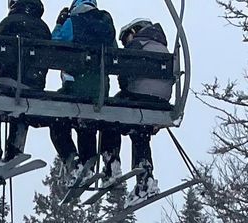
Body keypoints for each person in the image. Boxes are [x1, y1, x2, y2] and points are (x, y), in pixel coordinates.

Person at [51, 0, 115, 185]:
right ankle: (89, 162)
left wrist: (59, 24)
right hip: (100, 90)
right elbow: (115, 54)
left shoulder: (73, 22)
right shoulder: (106, 24)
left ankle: (73, 160)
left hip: (75, 87)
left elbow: (55, 45)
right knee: (87, 123)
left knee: (57, 119)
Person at [113, 16, 171, 198]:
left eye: (125, 40)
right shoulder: (163, 47)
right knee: (140, 129)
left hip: (139, 95)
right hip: (161, 100)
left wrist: (127, 86)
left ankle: (111, 162)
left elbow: (123, 74)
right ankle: (145, 176)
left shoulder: (137, 44)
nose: (125, 44)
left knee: (109, 115)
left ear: (133, 31)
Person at [0, 0, 52, 173]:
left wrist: (1, 75)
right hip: (34, 85)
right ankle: (15, 150)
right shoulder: (43, 27)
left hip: (8, 78)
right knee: (22, 108)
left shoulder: (7, 23)